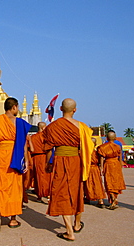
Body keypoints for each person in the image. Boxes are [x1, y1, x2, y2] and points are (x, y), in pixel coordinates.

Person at [43, 98, 94, 241]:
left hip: (59, 160)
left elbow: (48, 147)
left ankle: (70, 231)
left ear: (60, 109)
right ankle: (77, 224)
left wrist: (48, 163)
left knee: (62, 192)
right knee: (76, 191)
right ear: (75, 110)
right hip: (76, 161)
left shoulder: (53, 126)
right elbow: (88, 147)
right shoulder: (82, 127)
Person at [0, 97, 31, 232]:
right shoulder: (20, 123)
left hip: (2, 154)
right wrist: (26, 160)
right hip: (16, 155)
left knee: (0, 184)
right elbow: (23, 144)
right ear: (14, 107)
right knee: (15, 187)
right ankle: (13, 219)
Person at [98, 131, 126, 210]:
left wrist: (101, 168)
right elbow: (120, 158)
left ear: (106, 138)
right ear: (115, 138)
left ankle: (113, 199)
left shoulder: (103, 147)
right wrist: (120, 166)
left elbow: (102, 158)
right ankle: (114, 198)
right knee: (116, 182)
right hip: (116, 164)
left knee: (109, 182)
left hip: (108, 164)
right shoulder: (118, 147)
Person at [31, 122, 50, 202]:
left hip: (34, 158)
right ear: (43, 128)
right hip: (43, 157)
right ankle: (46, 194)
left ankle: (39, 195)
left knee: (37, 176)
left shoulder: (32, 137)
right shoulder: (44, 137)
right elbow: (48, 148)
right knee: (44, 176)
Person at [83, 138, 106, 208]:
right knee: (97, 183)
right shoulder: (96, 153)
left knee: (87, 183)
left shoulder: (85, 153)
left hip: (88, 169)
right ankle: (100, 200)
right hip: (95, 169)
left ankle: (87, 197)